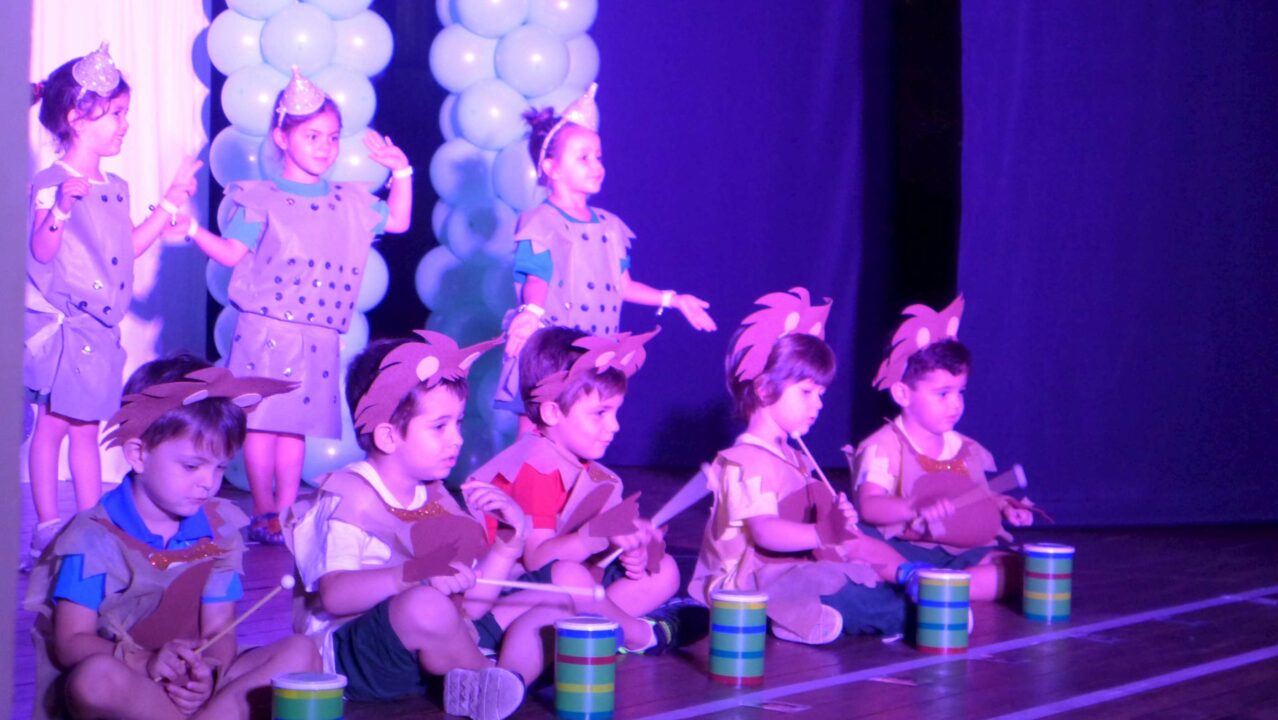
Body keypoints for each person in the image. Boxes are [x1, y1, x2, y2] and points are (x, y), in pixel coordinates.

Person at [183, 67, 413, 544]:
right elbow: (231, 253)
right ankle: (264, 510)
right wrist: (189, 229)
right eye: (312, 136)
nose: (325, 147)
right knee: (261, 424)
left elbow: (398, 221)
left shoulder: (348, 200)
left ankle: (286, 512)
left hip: (317, 333)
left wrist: (402, 172)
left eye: (332, 137)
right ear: (281, 137)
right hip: (265, 330)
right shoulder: (261, 199)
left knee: (295, 427)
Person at [285, 332, 567, 720]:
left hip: (428, 646)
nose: (457, 439)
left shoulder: (434, 496)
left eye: (458, 423)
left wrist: (508, 544)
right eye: (439, 426)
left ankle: (499, 681)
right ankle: (491, 677)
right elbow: (335, 595)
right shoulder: (349, 494)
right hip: (354, 657)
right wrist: (413, 575)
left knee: (554, 599)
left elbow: (471, 605)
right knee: (425, 605)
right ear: (388, 436)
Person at [24, 354, 319, 720]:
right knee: (93, 680)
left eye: (220, 467)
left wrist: (207, 673)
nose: (208, 482)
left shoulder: (219, 528)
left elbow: (220, 628)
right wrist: (146, 662)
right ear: (138, 454)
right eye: (192, 466)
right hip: (133, 684)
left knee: (301, 652)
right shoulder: (91, 536)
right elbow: (71, 642)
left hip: (193, 687)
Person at [25, 44, 200, 564]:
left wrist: (169, 201)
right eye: (116, 114)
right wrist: (60, 210)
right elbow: (40, 251)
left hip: (101, 331)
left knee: (86, 429)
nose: (125, 125)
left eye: (126, 113)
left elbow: (126, 247)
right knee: (53, 425)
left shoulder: (117, 187)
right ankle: (48, 527)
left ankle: (90, 524)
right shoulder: (50, 183)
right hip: (68, 330)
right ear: (77, 118)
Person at [690, 289, 935, 644]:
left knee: (856, 558)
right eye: (806, 392)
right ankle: (911, 618)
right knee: (847, 590)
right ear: (764, 389)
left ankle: (908, 581)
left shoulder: (797, 458)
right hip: (747, 583)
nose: (818, 404)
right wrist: (822, 532)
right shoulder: (745, 462)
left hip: (793, 570)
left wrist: (843, 531)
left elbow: (835, 540)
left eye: (820, 393)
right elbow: (765, 531)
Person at [471, 325, 702, 654]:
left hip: (571, 585)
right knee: (571, 577)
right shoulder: (534, 467)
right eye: (600, 413)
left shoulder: (588, 471)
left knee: (663, 571)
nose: (615, 426)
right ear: (552, 412)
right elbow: (538, 560)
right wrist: (598, 534)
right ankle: (640, 635)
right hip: (509, 598)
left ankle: (600, 627)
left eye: (616, 412)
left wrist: (631, 549)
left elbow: (596, 547)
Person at [495, 83, 716, 421]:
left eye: (598, 157)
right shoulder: (540, 221)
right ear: (551, 168)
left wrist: (673, 299)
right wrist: (531, 312)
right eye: (583, 158)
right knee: (539, 428)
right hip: (553, 350)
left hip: (595, 349)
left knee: (586, 424)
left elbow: (623, 285)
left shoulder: (610, 226)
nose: (596, 165)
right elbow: (538, 276)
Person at [852, 295, 1035, 601]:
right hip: (908, 549)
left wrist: (1003, 506)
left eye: (960, 392)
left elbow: (975, 495)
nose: (956, 404)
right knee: (860, 551)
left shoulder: (965, 448)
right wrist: (914, 506)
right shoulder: (884, 446)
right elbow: (870, 505)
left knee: (1022, 570)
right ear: (903, 394)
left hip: (965, 551)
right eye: (943, 393)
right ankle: (928, 584)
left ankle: (942, 587)